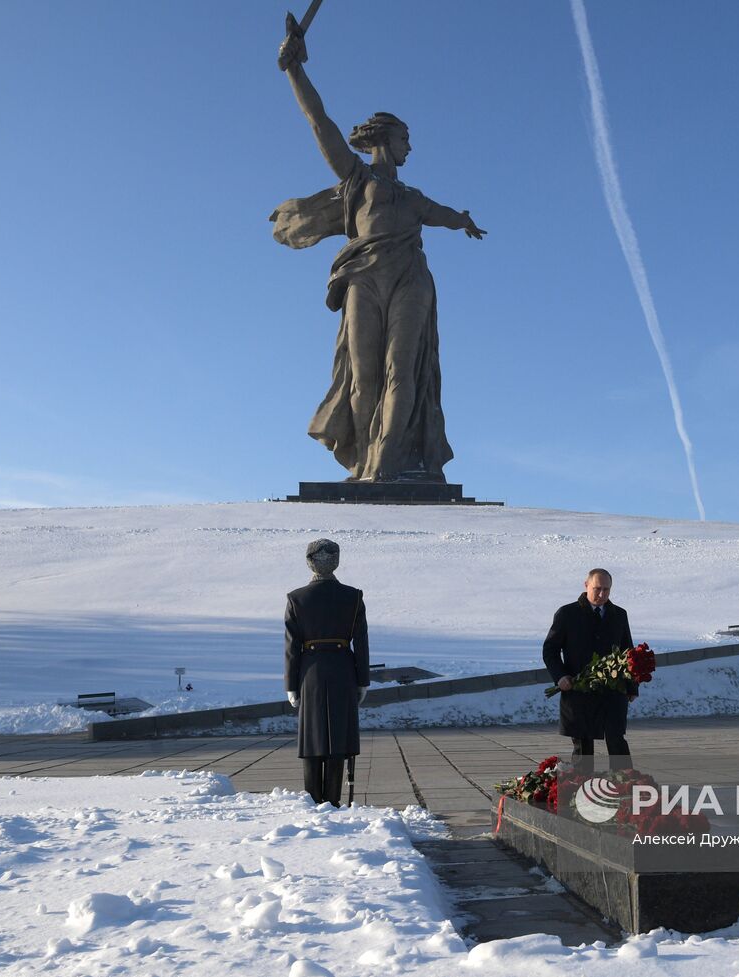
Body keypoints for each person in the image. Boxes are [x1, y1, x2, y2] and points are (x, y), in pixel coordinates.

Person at [273, 21, 486, 483]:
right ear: (385, 139)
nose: (411, 147)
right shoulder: (358, 180)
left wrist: (463, 220)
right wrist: (295, 70)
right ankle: (365, 461)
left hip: (410, 278)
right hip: (364, 278)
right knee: (363, 376)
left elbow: (443, 213)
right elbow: (319, 121)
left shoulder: (413, 197)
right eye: (406, 139)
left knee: (401, 371)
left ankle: (387, 467)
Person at [285, 538, 370, 806]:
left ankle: (312, 804)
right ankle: (333, 803)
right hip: (343, 671)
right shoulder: (353, 597)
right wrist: (362, 680)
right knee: (338, 741)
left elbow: (292, 646)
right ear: (336, 561)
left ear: (308, 561)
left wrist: (291, 684)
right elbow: (362, 642)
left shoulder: (296, 598)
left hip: (310, 673)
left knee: (312, 740)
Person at [542, 569, 637, 770]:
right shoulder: (567, 613)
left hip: (613, 690)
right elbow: (550, 650)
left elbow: (628, 652)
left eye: (606, 589)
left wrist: (631, 686)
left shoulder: (619, 615)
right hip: (579, 690)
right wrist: (560, 677)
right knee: (583, 744)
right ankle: (581, 789)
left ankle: (626, 785)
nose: (602, 594)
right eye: (597, 589)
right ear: (586, 585)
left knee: (616, 739)